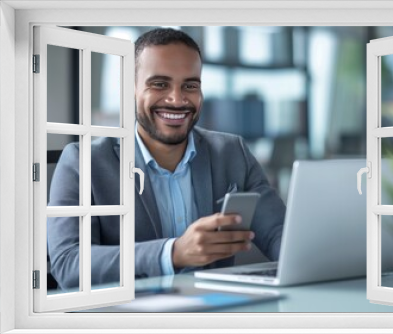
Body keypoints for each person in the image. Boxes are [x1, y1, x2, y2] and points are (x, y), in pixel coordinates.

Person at [47, 28, 285, 289]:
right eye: (160, 84)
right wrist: (172, 253)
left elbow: (280, 235)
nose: (177, 99)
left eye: (190, 85)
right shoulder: (83, 162)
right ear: (132, 88)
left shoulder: (232, 152)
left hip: (212, 314)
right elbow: (69, 264)